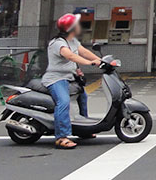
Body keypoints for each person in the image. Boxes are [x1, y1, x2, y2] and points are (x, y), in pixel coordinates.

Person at [42, 13, 110, 150]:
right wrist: (91, 63)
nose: (80, 27)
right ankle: (61, 137)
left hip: (70, 77)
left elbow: (84, 52)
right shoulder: (57, 43)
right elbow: (70, 56)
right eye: (77, 24)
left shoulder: (73, 41)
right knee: (64, 101)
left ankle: (82, 129)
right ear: (71, 28)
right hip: (56, 79)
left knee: (83, 96)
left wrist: (103, 62)